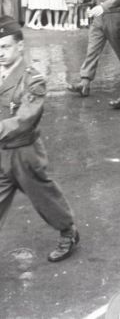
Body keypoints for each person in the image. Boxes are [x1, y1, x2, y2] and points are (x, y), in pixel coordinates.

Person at [0, 16, 79, 262]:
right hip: (2, 152)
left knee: (45, 199)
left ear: (20, 46)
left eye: (5, 46)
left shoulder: (33, 80)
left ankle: (68, 232)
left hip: (25, 154)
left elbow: (25, 120)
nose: (0, 53)